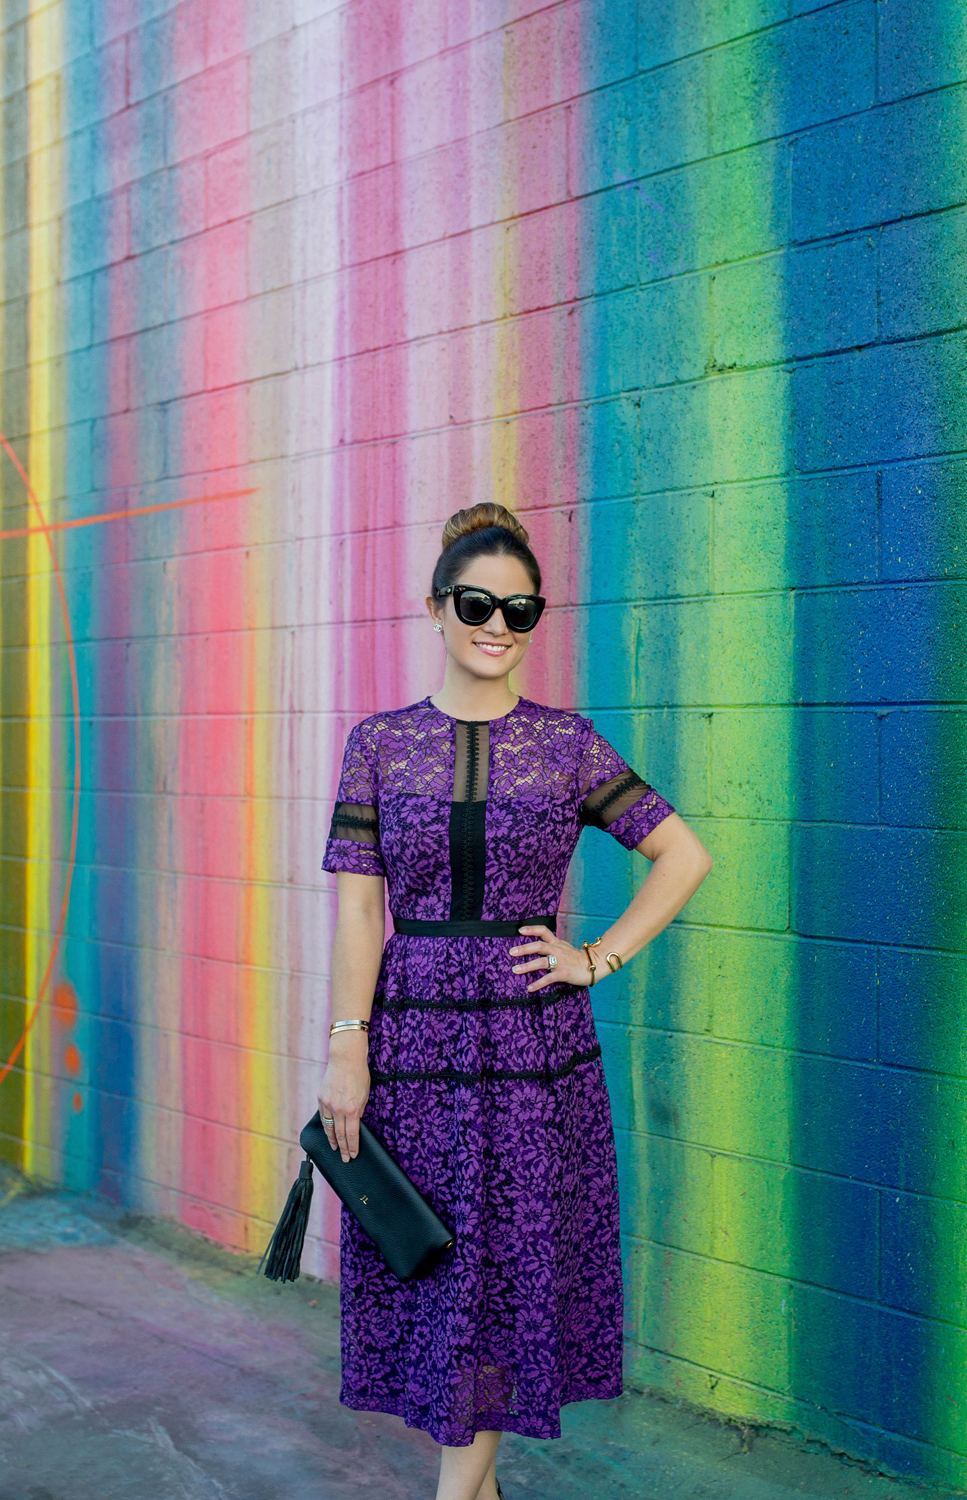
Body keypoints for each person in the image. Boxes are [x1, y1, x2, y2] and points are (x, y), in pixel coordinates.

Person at [318, 503, 712, 1500]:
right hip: (410, 1049)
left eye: (520, 608)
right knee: (447, 1267)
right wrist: (345, 1048)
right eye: (477, 602)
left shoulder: (567, 745)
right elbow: (361, 916)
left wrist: (598, 958)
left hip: (537, 1056)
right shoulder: (378, 745)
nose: (497, 624)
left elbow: (682, 855)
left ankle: (458, 1493)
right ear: (437, 607)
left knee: (508, 1268)